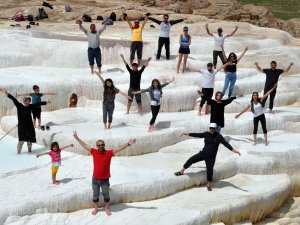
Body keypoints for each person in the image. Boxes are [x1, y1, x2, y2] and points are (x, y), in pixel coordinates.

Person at [73, 131, 136, 216]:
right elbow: (84, 145)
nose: (101, 146)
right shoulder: (94, 152)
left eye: (102, 145)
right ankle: (96, 208)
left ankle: (106, 208)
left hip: (105, 179)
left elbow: (119, 148)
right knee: (95, 194)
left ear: (104, 145)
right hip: (95, 179)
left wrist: (128, 144)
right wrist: (77, 138)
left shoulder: (109, 153)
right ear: (97, 146)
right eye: (99, 145)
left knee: (106, 194)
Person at [174, 123, 240, 191]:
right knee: (191, 159)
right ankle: (181, 171)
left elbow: (226, 144)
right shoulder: (206, 134)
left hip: (211, 157)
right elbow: (198, 135)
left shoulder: (219, 136)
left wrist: (234, 150)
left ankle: (209, 184)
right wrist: (187, 133)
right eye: (210, 128)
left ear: (215, 129)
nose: (211, 129)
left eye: (213, 128)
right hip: (203, 153)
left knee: (210, 170)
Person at [0, 88, 50, 154]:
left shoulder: (30, 106)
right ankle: (18, 154)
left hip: (29, 126)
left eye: (29, 101)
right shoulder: (19, 105)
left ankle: (30, 152)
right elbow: (13, 99)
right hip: (22, 126)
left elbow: (38, 103)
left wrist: (46, 102)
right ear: (24, 101)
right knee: (21, 140)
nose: (28, 102)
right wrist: (6, 93)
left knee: (29, 140)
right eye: (27, 101)